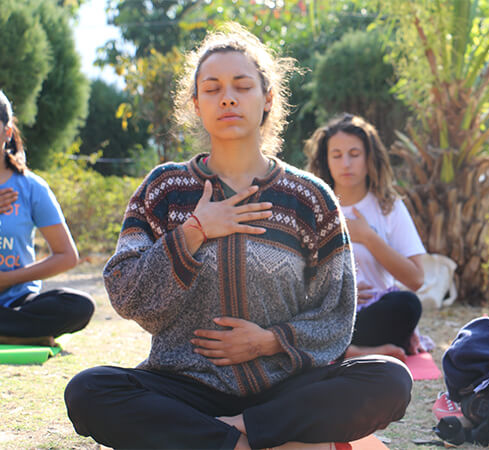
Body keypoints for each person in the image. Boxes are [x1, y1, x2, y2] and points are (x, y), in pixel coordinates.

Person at [64, 24, 412, 450]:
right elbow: (126, 292)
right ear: (195, 104)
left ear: (267, 99)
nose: (227, 97)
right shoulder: (165, 189)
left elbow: (337, 313)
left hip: (285, 388)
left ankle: (234, 430)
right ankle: (246, 440)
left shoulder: (310, 198)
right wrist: (194, 231)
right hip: (185, 389)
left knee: (389, 378)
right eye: (212, 88)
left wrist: (269, 341)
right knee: (89, 390)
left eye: (242, 85)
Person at [306, 113, 426, 362]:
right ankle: (350, 351)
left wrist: (368, 237)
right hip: (327, 315)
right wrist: (339, 292)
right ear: (326, 161)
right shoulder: (312, 209)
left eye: (354, 154)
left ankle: (336, 351)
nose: (346, 163)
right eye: (337, 155)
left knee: (407, 304)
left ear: (369, 157)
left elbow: (415, 279)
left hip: (372, 314)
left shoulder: (388, 206)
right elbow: (296, 278)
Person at [0, 90, 95, 346]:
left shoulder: (31, 188)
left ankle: (10, 329)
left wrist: (8, 279)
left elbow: (66, 255)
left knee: (78, 306)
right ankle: (16, 333)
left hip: (19, 302)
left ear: (7, 132)